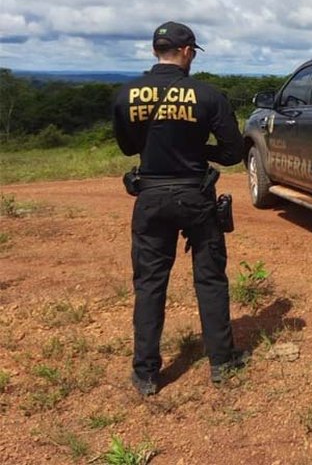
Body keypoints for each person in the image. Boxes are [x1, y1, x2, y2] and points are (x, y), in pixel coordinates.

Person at [112, 21, 247, 396]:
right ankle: (221, 362)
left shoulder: (126, 94)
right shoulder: (207, 95)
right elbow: (233, 151)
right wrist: (197, 152)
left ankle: (146, 373)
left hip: (150, 196)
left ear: (157, 50)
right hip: (195, 196)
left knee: (150, 284)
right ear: (187, 52)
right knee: (210, 278)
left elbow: (127, 148)